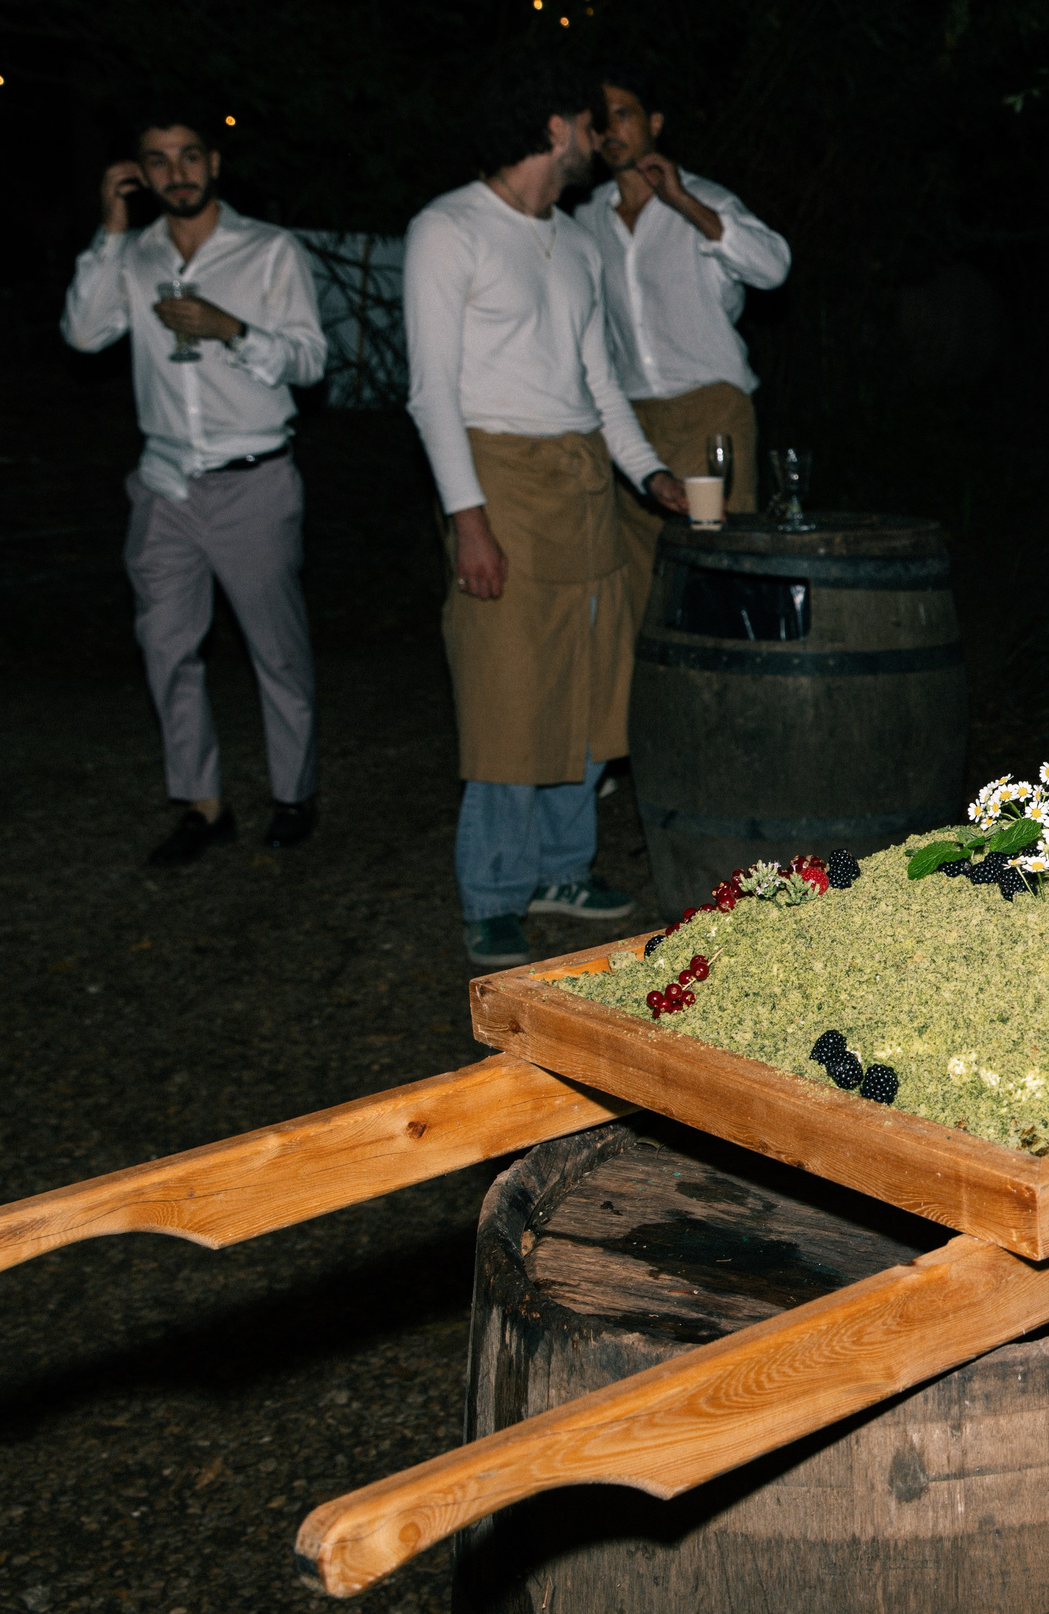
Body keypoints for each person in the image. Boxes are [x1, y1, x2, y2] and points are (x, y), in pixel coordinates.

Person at [404, 64, 689, 968]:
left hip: (581, 485)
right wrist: (469, 520)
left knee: (591, 678)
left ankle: (565, 870)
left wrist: (649, 475)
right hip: (499, 478)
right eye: (592, 124)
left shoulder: (572, 240)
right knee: (509, 688)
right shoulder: (448, 229)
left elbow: (598, 379)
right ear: (554, 128)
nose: (603, 139)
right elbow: (429, 394)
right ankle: (493, 893)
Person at [61, 113, 329, 866]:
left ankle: (293, 793)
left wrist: (230, 328)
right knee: (168, 650)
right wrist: (111, 229)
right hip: (165, 483)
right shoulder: (135, 253)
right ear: (139, 175)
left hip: (253, 478)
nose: (176, 173)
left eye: (188, 157)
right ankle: (201, 805)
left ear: (214, 162)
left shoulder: (268, 249)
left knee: (276, 651)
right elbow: (84, 335)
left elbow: (312, 360)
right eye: (157, 162)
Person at [579, 73, 792, 610]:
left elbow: (773, 267)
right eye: (601, 118)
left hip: (708, 413)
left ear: (654, 123)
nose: (611, 129)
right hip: (632, 420)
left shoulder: (706, 199)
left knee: (718, 568)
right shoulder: (585, 220)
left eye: (624, 114)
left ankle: (731, 685)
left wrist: (683, 203)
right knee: (641, 580)